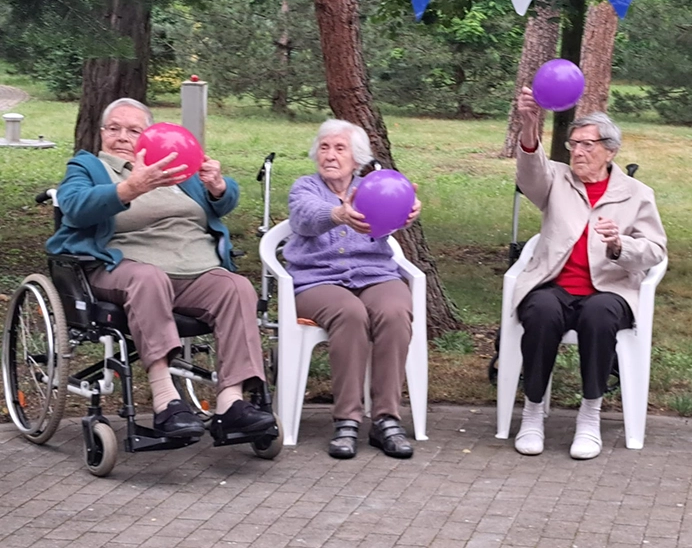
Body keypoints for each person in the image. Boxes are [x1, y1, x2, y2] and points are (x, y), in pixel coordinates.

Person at [47, 98, 274, 441]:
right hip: (120, 268)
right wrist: (130, 188)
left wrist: (218, 187)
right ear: (102, 133)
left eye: (133, 130)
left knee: (237, 287)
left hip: (194, 269)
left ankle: (231, 402)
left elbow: (223, 204)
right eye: (114, 128)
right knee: (149, 277)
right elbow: (75, 208)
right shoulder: (88, 167)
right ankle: (166, 399)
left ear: (148, 135)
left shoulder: (174, 168)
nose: (122, 136)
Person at [511, 87, 667, 460]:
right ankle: (532, 412)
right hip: (555, 284)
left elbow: (655, 250)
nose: (578, 152)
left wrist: (619, 246)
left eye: (588, 145)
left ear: (610, 151)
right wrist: (530, 124)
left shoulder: (636, 193)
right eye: (574, 144)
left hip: (609, 289)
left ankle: (590, 414)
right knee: (542, 312)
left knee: (599, 316)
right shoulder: (557, 180)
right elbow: (530, 173)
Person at [283, 119, 422, 460]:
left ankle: (386, 420)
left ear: (356, 158)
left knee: (394, 311)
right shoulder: (304, 187)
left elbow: (390, 219)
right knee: (350, 313)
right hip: (318, 280)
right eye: (325, 147)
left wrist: (407, 211)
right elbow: (304, 217)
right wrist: (338, 214)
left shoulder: (375, 186)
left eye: (339, 148)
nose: (329, 155)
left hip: (374, 274)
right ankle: (347, 419)